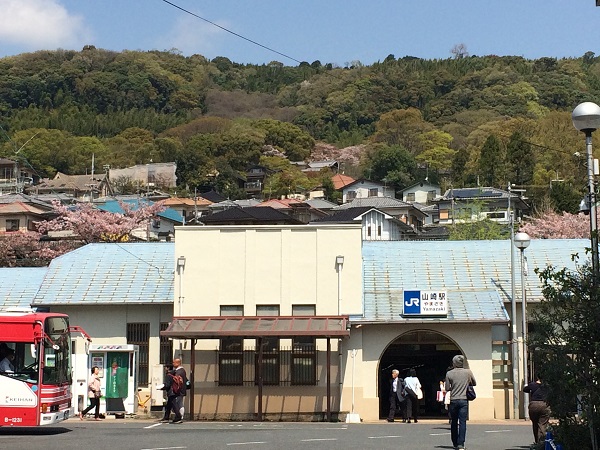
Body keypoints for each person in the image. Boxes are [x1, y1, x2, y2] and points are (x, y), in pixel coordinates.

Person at [445, 355, 476, 450]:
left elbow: (447, 388)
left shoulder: (449, 373)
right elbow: (474, 383)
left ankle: (454, 442)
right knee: (462, 422)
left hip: (454, 399)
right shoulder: (468, 372)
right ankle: (461, 444)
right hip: (464, 400)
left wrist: (453, 387)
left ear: (454, 363)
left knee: (454, 422)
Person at [523, 374, 551, 446]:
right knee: (542, 424)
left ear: (537, 377)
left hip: (534, 405)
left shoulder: (532, 385)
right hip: (545, 404)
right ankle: (542, 442)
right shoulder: (547, 386)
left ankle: (537, 442)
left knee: (535, 423)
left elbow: (525, 390)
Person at [170, 357, 187, 424]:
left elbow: (176, 381)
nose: (173, 364)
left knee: (177, 403)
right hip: (182, 390)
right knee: (180, 403)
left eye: (174, 362)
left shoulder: (179, 371)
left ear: (178, 363)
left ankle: (179, 416)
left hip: (178, 390)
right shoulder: (182, 371)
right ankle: (180, 416)